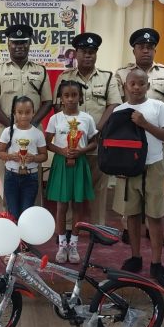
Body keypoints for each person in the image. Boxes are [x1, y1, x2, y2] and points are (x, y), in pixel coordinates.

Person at [115, 28, 164, 244]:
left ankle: (153, 229)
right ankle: (128, 229)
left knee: (154, 186)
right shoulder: (122, 74)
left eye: (150, 47)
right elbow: (118, 106)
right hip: (130, 140)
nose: (146, 51)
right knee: (130, 190)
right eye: (141, 47)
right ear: (133, 50)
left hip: (157, 138)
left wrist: (158, 124)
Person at [111, 69, 164, 287]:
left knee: (154, 216)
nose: (136, 87)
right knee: (132, 215)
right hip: (129, 169)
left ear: (148, 86)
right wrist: (118, 166)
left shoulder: (157, 107)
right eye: (132, 84)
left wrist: (145, 124)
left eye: (141, 83)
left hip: (153, 166)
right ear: (125, 86)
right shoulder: (119, 110)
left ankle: (156, 263)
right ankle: (135, 257)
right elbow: (115, 143)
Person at [53, 32, 121, 228]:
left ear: (96, 54)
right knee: (69, 187)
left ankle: (97, 227)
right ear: (75, 54)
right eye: (83, 51)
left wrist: (95, 130)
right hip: (70, 147)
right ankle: (66, 228)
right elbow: (58, 106)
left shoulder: (108, 78)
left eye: (92, 52)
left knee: (98, 187)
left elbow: (114, 105)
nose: (88, 55)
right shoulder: (64, 77)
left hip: (96, 143)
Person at [0, 24, 53, 211]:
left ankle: (32, 221)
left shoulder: (41, 71)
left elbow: (48, 102)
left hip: (34, 135)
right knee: (6, 181)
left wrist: (31, 124)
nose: (19, 46)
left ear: (30, 44)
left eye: (23, 42)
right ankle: (8, 222)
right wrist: (13, 128)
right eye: (15, 43)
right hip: (6, 136)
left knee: (34, 180)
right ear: (8, 45)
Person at [45, 80, 98, 264]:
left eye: (74, 95)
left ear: (80, 97)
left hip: (80, 162)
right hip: (61, 163)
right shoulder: (55, 119)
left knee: (78, 205)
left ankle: (74, 244)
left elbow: (93, 142)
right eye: (66, 95)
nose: (70, 99)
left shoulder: (87, 118)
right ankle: (61, 244)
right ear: (60, 98)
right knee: (61, 206)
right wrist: (62, 151)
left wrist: (81, 150)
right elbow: (47, 142)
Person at [0, 96, 48, 219]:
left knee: (27, 212)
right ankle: (15, 237)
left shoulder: (37, 133)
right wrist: (9, 156)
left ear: (33, 112)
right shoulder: (8, 131)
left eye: (27, 112)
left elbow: (44, 155)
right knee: (13, 212)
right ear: (14, 113)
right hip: (11, 176)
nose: (24, 116)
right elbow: (0, 153)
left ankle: (25, 237)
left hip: (31, 177)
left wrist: (34, 158)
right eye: (20, 112)